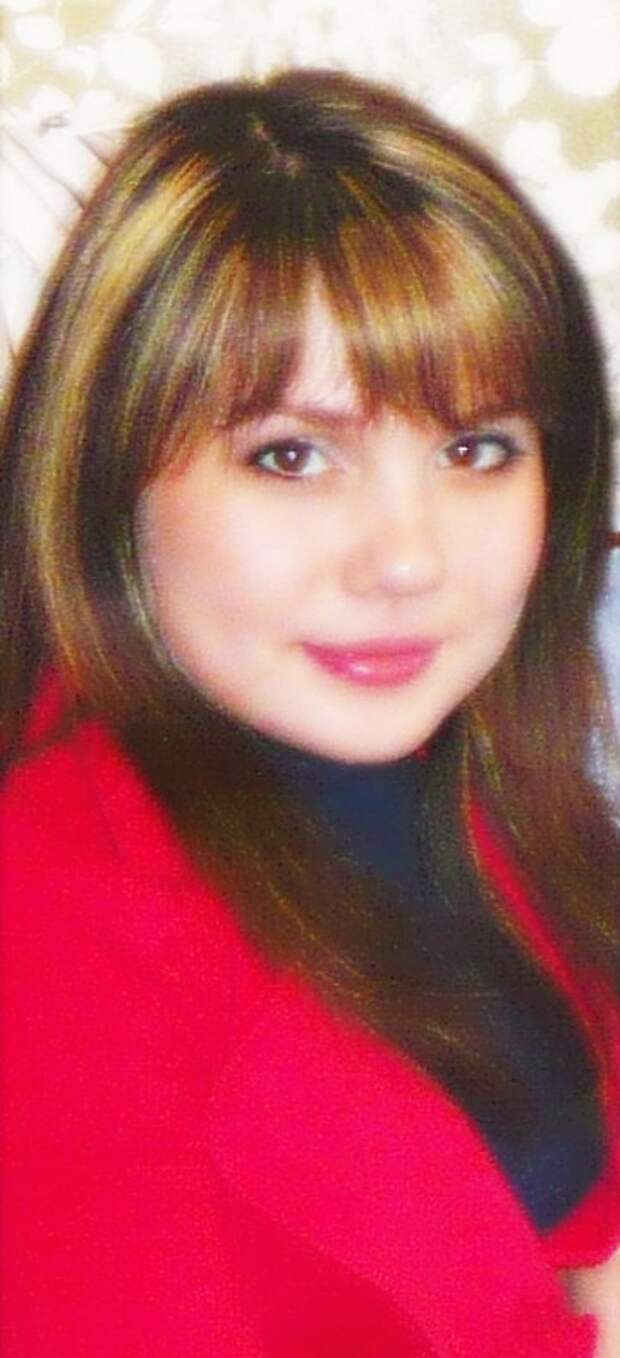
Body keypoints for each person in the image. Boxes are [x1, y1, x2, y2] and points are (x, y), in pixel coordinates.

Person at [1, 68, 619, 1358]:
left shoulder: (486, 772)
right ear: (108, 482)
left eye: (476, 449)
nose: (408, 560)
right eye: (291, 455)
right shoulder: (44, 941)